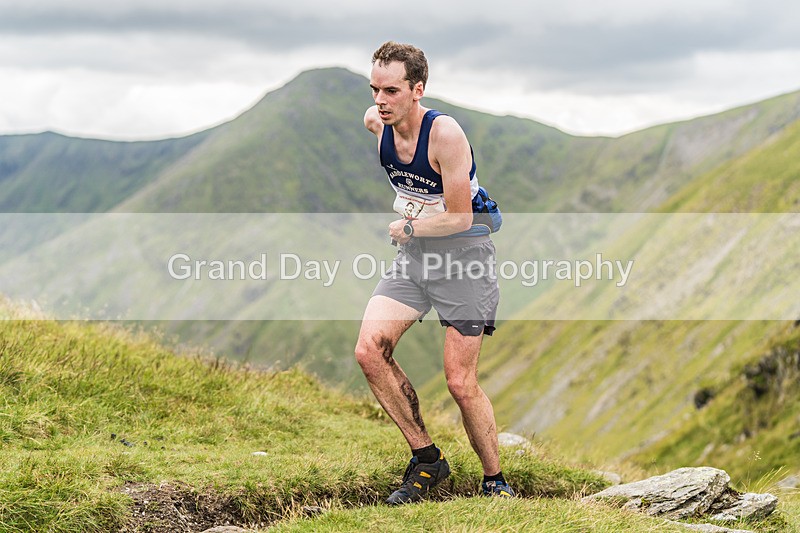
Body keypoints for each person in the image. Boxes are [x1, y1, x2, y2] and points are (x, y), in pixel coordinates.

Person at [355, 41, 514, 505]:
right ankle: (427, 459)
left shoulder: (445, 135)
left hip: (464, 259)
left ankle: (495, 481)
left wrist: (408, 226)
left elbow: (461, 218)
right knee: (369, 351)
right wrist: (413, 233)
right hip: (415, 258)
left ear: (417, 89)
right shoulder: (375, 123)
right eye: (374, 89)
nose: (380, 101)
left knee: (460, 383)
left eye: (391, 91)